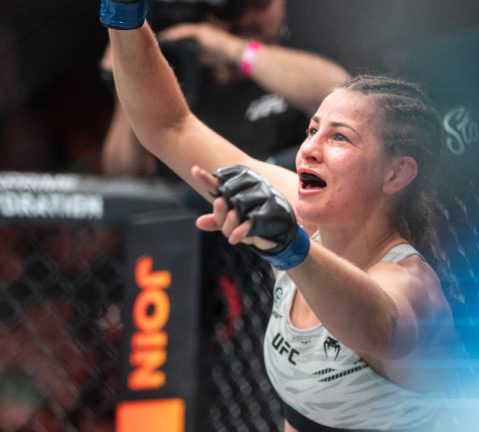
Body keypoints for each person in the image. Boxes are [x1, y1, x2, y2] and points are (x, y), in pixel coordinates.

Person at [101, 2, 458, 429]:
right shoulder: (303, 221)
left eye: (340, 137)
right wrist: (124, 18)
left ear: (397, 172)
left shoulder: (411, 285)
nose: (310, 149)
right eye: (312, 130)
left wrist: (291, 250)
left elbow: (380, 326)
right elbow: (170, 127)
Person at [101, 0, 350, 176]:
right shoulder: (177, 73)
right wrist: (131, 77)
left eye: (260, 4)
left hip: (284, 221)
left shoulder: (304, 58)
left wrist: (233, 48)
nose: (246, 18)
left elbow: (340, 93)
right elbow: (125, 174)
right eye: (232, 7)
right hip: (191, 231)